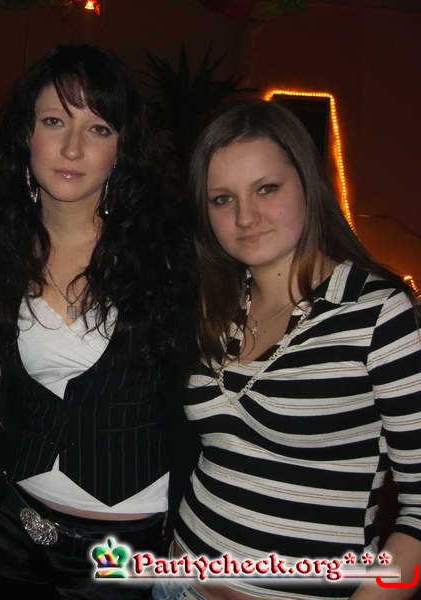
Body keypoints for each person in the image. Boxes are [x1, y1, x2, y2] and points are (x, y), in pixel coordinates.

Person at [161, 100, 421, 600]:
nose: (245, 216)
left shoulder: (377, 314)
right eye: (222, 199)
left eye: (266, 188)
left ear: (307, 183)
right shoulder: (217, 303)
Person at [0, 44, 196, 599]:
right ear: (26, 133)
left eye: (98, 128)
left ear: (122, 147)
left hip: (125, 548)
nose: (72, 147)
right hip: (7, 526)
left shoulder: (171, 255)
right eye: (54, 122)